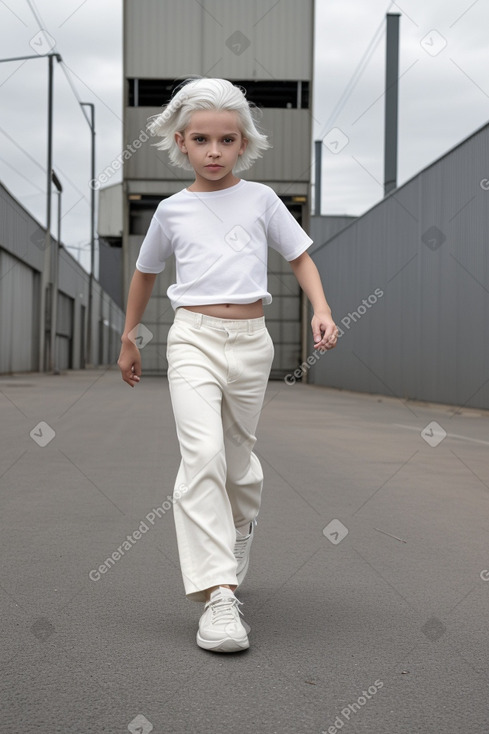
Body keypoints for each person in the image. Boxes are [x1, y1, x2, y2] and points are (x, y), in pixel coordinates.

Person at [117, 77, 338, 653]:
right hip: (192, 337)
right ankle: (218, 597)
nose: (213, 151)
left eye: (226, 140)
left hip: (251, 342)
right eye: (201, 140)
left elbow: (300, 256)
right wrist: (129, 338)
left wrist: (322, 308)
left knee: (237, 460)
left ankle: (239, 528)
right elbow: (145, 274)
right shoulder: (171, 210)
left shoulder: (262, 199)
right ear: (181, 144)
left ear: (243, 144)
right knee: (203, 456)